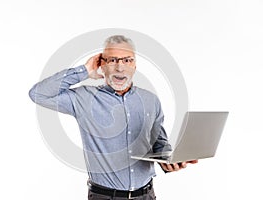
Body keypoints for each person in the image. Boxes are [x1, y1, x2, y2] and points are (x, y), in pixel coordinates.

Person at [29, 35, 197, 199]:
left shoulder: (150, 100)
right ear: (101, 64)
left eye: (127, 60)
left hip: (146, 195)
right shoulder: (84, 98)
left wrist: (169, 159)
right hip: (104, 196)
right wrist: (84, 71)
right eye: (112, 60)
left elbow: (159, 143)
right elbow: (38, 94)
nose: (120, 67)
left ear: (135, 65)